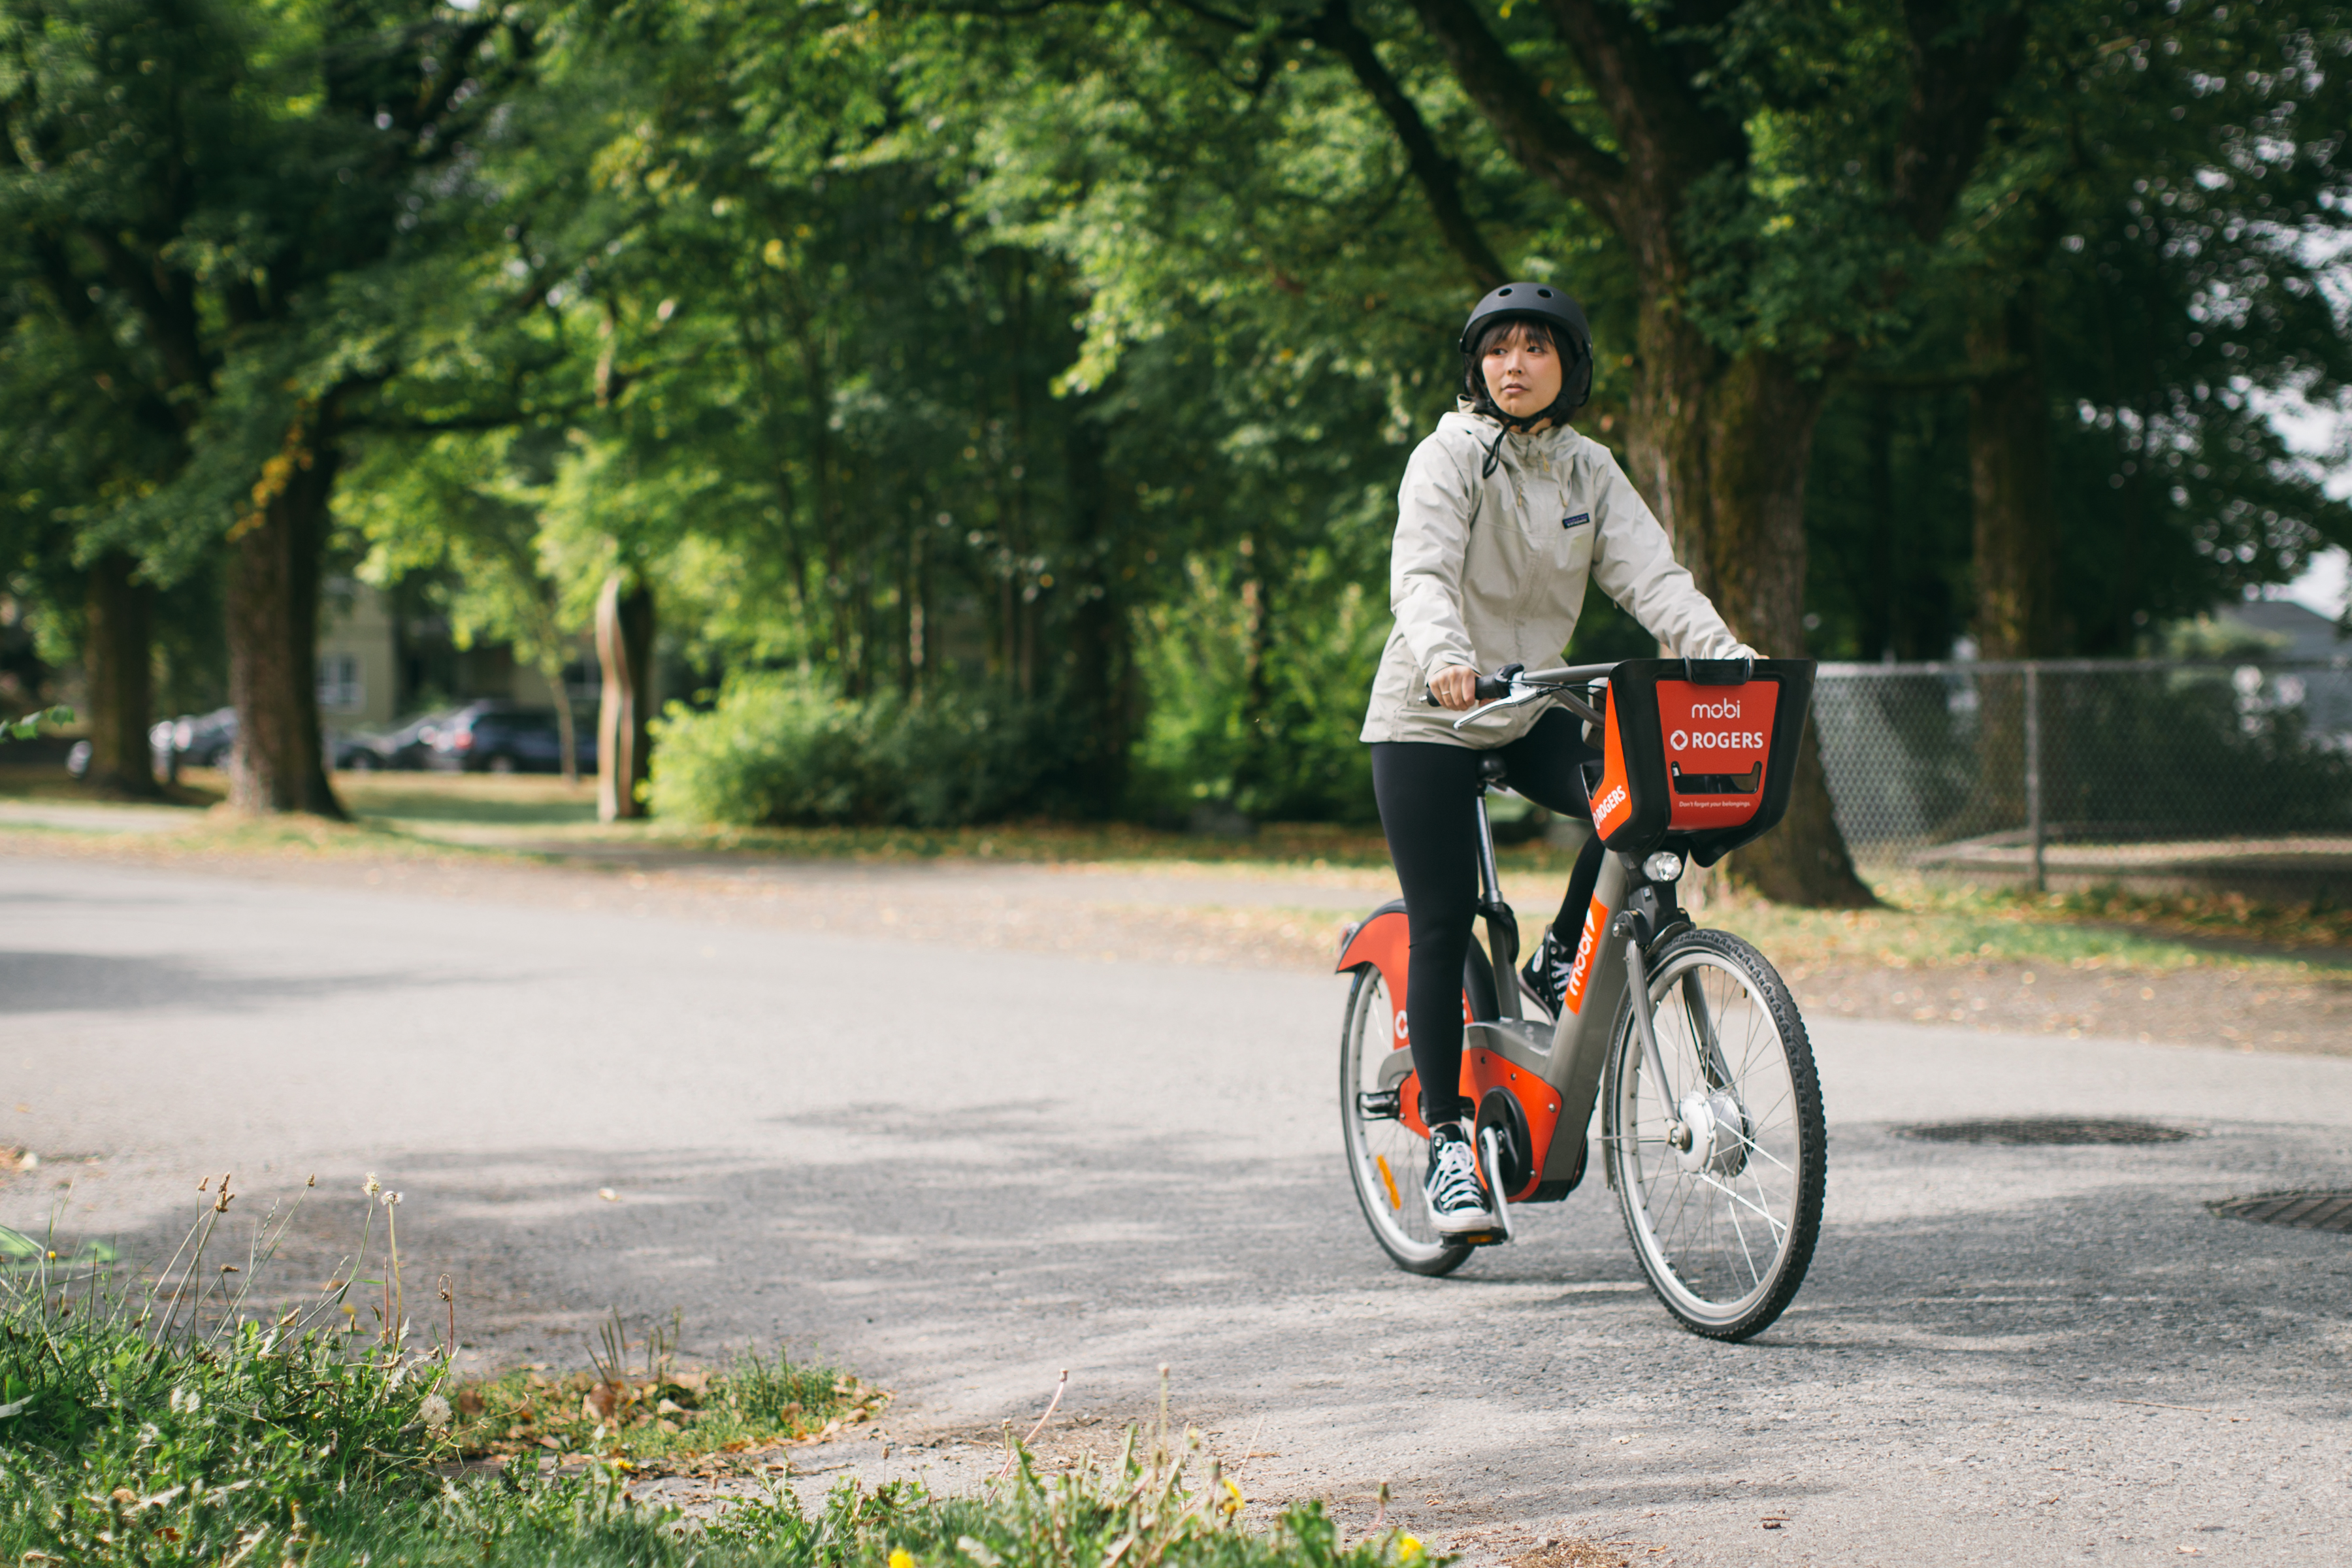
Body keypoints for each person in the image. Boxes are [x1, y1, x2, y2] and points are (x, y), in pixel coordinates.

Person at [1360, 281, 1754, 1237]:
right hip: (1433, 710)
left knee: (1636, 802)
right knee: (1443, 918)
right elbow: (1419, 570)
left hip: (1530, 701)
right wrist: (1449, 660)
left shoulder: (1589, 470)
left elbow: (1653, 576)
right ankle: (1451, 1143)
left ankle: (1558, 955)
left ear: (1567, 368)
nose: (1515, 364)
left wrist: (1725, 658)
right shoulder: (1449, 455)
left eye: (1536, 348)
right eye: (1498, 350)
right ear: (1478, 367)